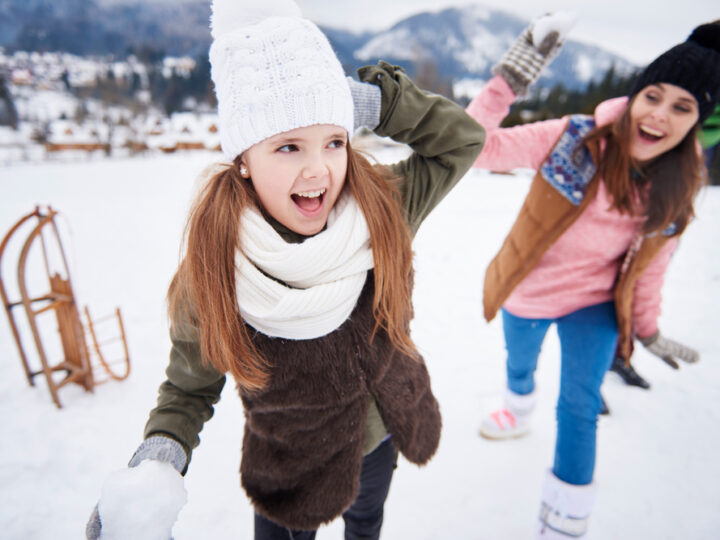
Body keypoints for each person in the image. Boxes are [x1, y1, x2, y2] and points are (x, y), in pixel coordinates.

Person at [86, 0, 486, 539]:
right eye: (289, 145)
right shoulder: (215, 268)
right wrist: (157, 464)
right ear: (244, 158)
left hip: (383, 428)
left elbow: (461, 141)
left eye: (334, 141)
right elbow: (188, 390)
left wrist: (374, 102)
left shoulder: (382, 208)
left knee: (366, 521)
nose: (318, 169)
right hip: (290, 465)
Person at [465, 19, 719, 539]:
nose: (660, 115)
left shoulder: (675, 188)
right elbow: (477, 148)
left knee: (579, 407)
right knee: (520, 363)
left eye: (683, 107)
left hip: (596, 305)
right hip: (528, 288)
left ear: (699, 123)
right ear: (634, 97)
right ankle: (517, 406)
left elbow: (649, 272)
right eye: (653, 95)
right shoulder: (572, 139)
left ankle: (564, 522)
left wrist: (646, 329)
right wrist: (509, 81)